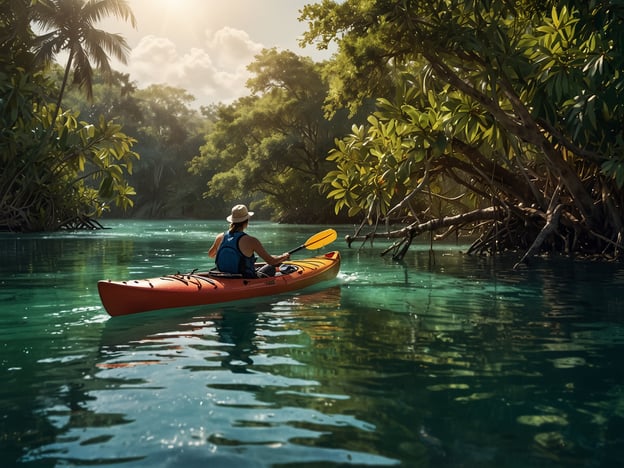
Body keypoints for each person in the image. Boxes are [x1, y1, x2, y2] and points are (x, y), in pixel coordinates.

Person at [208, 204, 290, 278]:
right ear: (247, 221)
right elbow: (271, 261)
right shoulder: (251, 241)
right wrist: (284, 256)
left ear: (232, 221)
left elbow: (211, 254)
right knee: (271, 267)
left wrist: (229, 258)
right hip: (244, 278)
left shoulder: (220, 237)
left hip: (222, 276)